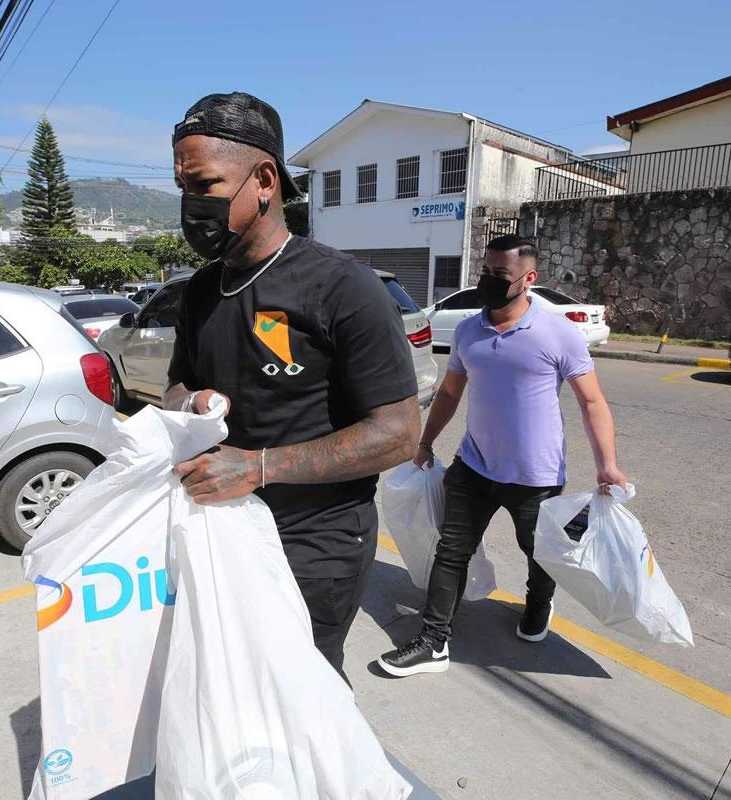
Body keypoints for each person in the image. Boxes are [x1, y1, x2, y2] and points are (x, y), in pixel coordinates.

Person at [164, 92, 421, 679]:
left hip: (316, 545)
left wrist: (257, 468)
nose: (191, 205)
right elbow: (176, 388)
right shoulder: (200, 291)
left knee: (305, 696)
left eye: (204, 185)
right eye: (183, 188)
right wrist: (191, 403)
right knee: (231, 685)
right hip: (221, 531)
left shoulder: (343, 287)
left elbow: (398, 434)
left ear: (264, 180)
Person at [377, 235, 627, 677]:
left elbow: (593, 402)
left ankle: (538, 604)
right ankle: (434, 641)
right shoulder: (470, 330)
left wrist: (607, 463)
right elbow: (450, 392)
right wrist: (425, 441)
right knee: (450, 551)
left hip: (537, 475)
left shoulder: (558, 333)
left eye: (500, 275)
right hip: (473, 467)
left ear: (528, 279)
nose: (488, 281)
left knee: (538, 551)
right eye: (486, 272)